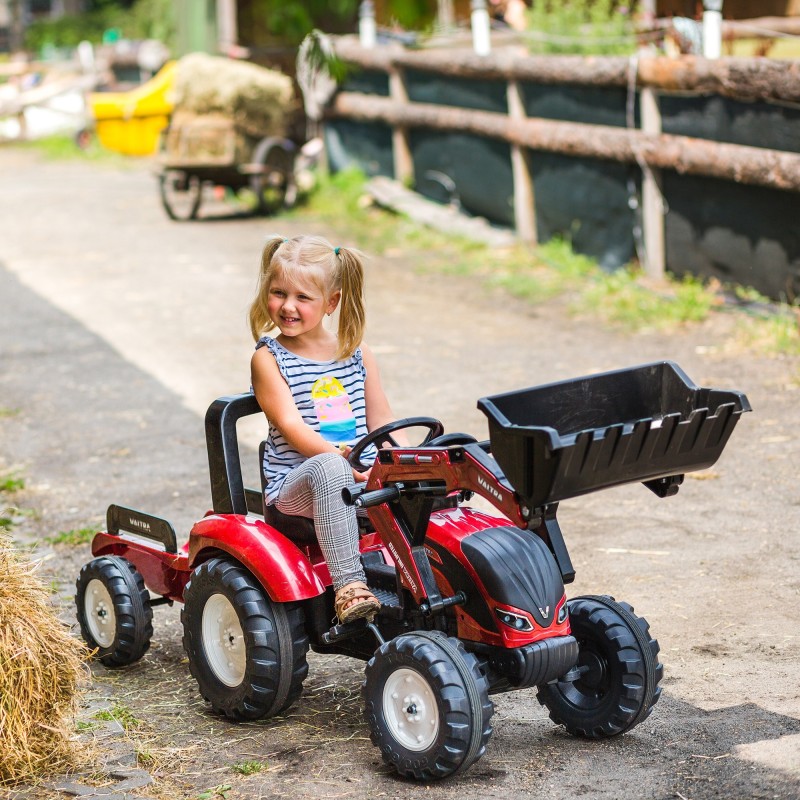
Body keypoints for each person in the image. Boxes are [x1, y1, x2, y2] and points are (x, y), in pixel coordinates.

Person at [249, 234, 396, 624]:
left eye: (302, 297)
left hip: (356, 478)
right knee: (330, 469)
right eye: (278, 293)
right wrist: (341, 461)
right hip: (295, 490)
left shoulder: (358, 353)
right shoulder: (269, 358)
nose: (287, 306)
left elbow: (382, 422)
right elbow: (291, 425)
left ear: (331, 302)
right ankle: (349, 586)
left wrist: (407, 458)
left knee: (425, 470)